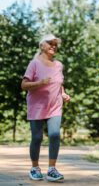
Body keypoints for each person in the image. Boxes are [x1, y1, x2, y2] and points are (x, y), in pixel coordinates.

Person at [21, 34, 70, 182]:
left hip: (55, 106)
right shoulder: (34, 64)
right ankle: (35, 168)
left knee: (54, 135)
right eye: (50, 43)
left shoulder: (58, 65)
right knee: (37, 138)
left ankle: (52, 170)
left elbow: (59, 82)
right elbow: (24, 85)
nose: (54, 46)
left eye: (55, 44)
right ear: (42, 46)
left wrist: (63, 93)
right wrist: (40, 82)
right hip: (37, 106)